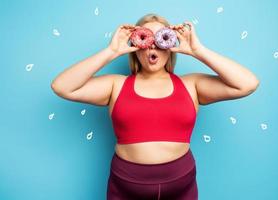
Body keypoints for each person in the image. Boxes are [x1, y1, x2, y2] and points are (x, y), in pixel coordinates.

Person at [51, 13, 260, 200]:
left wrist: (198, 50)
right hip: (125, 187)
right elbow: (62, 87)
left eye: (161, 38)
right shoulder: (116, 84)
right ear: (135, 45)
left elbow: (247, 84)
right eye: (146, 38)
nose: (153, 46)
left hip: (181, 185)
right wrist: (111, 51)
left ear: (170, 45)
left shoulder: (191, 85)